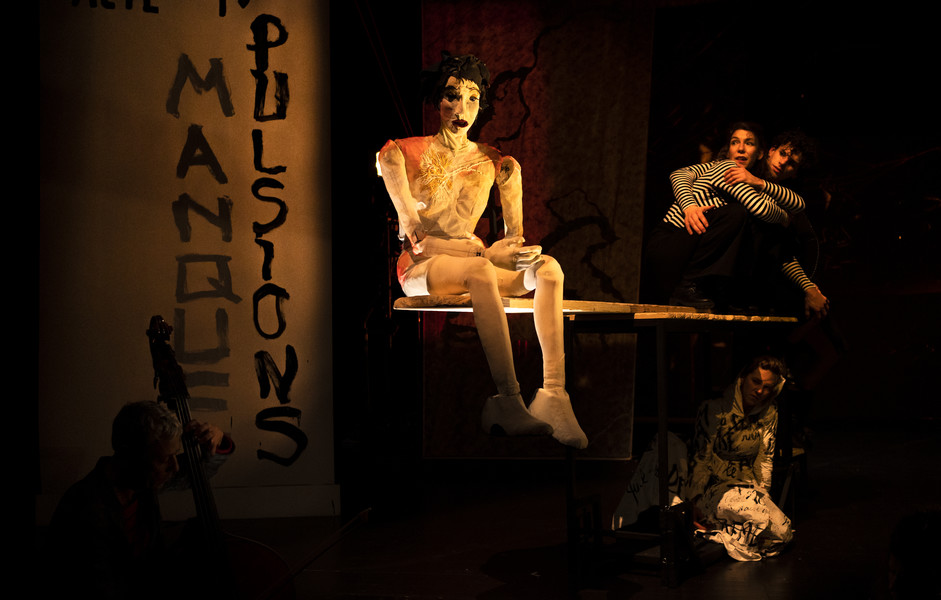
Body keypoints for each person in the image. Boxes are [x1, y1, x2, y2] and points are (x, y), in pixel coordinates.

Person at [377, 52, 587, 449]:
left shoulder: (495, 162)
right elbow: (417, 238)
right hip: (422, 266)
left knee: (549, 269)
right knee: (482, 271)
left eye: (472, 98)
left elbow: (513, 242)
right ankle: (508, 398)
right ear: (437, 99)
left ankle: (554, 395)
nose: (461, 109)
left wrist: (515, 252)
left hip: (475, 262)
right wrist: (487, 256)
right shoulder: (401, 153)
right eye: (452, 96)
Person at [44, 401, 234, 599]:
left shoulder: (139, 480)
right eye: (164, 459)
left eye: (175, 455)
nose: (175, 466)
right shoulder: (85, 512)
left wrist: (217, 440)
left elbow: (193, 472)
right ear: (130, 456)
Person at [612, 356, 793, 561]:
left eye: (767, 387)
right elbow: (702, 457)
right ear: (742, 378)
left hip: (749, 488)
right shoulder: (714, 408)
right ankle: (708, 523)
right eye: (756, 382)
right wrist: (696, 499)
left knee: (782, 532)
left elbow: (765, 458)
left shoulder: (769, 412)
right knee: (758, 521)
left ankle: (716, 528)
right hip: (715, 488)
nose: (760, 391)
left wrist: (764, 494)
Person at [645, 123, 806, 309]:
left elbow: (799, 205)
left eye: (749, 143)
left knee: (759, 225)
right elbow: (760, 208)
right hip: (669, 245)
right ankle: (691, 287)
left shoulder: (748, 182)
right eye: (735, 142)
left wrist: (758, 182)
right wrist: (689, 206)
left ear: (760, 153)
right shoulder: (727, 167)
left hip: (684, 249)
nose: (740, 148)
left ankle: (729, 292)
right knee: (737, 213)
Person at [729, 130, 830, 319]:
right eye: (782, 154)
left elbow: (785, 247)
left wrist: (809, 286)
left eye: (792, 163)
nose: (783, 162)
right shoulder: (745, 166)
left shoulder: (785, 197)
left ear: (795, 173)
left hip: (754, 273)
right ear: (771, 151)